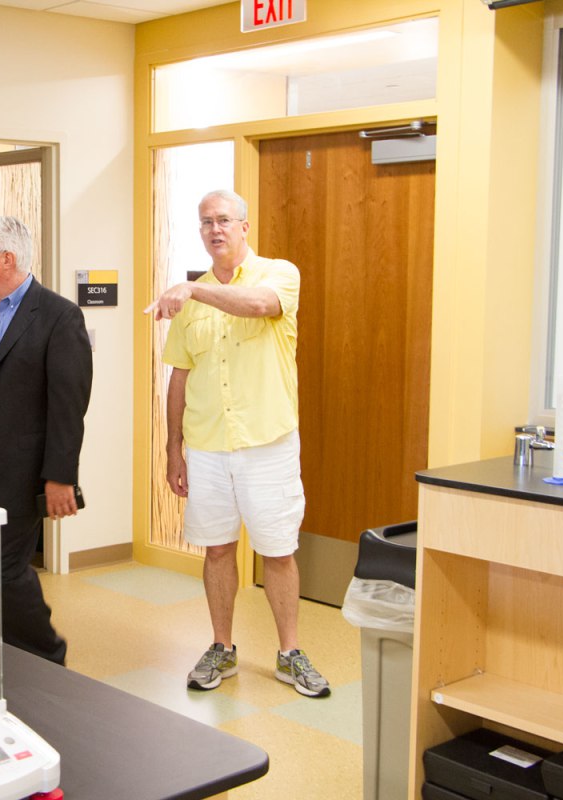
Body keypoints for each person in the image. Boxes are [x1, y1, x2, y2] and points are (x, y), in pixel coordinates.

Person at [146, 189, 330, 698]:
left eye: (224, 220)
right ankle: (222, 648)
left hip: (266, 443)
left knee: (277, 549)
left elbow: (260, 306)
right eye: (206, 222)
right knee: (218, 549)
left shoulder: (278, 273)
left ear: (245, 225)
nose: (215, 230)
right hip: (207, 446)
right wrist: (172, 449)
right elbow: (179, 378)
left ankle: (290, 652)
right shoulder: (192, 300)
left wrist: (191, 291)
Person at [0, 216, 92, 666]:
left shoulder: (58, 316)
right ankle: (7, 653)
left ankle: (46, 655)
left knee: (6, 568)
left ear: (6, 259)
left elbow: (69, 407)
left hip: (20, 467)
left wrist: (59, 477)